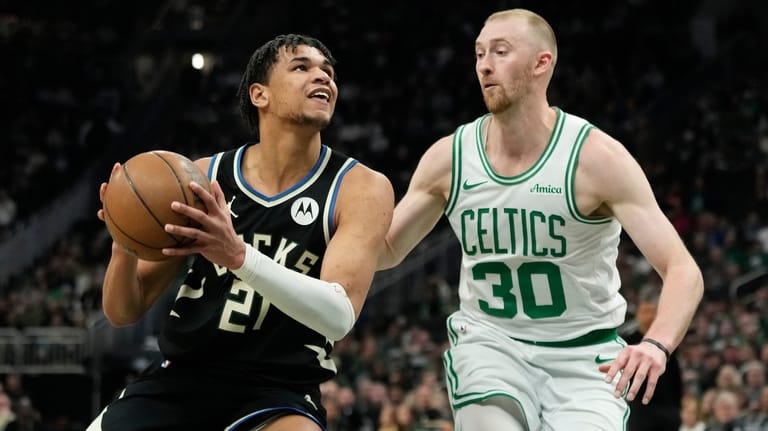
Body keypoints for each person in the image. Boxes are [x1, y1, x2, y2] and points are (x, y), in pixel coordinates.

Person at [378, 8, 704, 431]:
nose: (484, 64)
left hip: (585, 358)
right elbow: (385, 250)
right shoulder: (450, 158)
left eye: (500, 51)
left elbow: (683, 270)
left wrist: (657, 345)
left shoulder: (595, 158)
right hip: (491, 345)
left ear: (541, 63)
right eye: (478, 53)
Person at [87, 34, 394, 431]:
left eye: (328, 72)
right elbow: (123, 311)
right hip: (182, 377)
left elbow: (338, 316)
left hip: (279, 390)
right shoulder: (198, 178)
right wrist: (124, 242)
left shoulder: (360, 187)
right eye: (302, 67)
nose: (323, 78)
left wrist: (239, 257)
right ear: (259, 94)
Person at [624, 285, 683, 431]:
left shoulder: (667, 341)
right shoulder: (628, 341)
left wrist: (676, 408)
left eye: (652, 311)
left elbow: (675, 376)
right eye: (645, 311)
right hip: (640, 408)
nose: (649, 316)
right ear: (638, 314)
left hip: (667, 408)